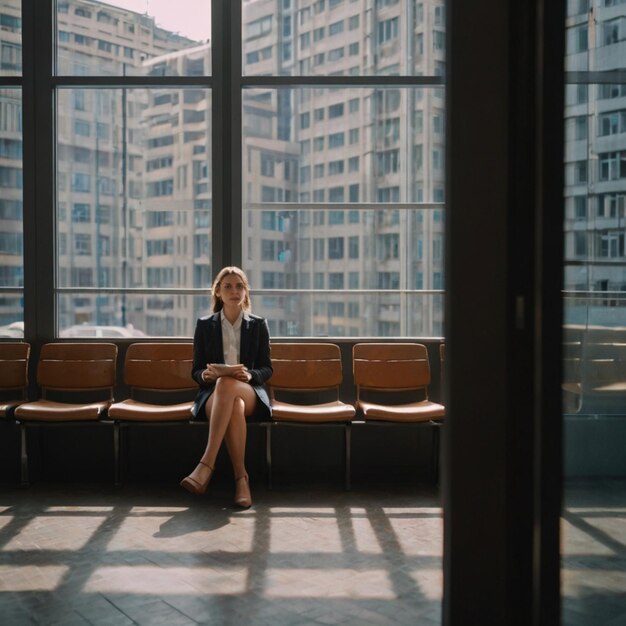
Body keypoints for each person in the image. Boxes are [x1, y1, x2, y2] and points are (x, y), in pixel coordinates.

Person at [181, 266, 272, 508]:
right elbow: (196, 370)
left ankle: (206, 464)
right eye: (228, 286)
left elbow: (266, 369)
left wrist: (249, 375)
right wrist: (207, 375)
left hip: (249, 391)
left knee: (230, 383)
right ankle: (242, 479)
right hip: (215, 395)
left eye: (239, 286)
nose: (234, 291)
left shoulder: (259, 324)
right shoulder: (204, 325)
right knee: (231, 400)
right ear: (218, 292)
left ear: (245, 292)